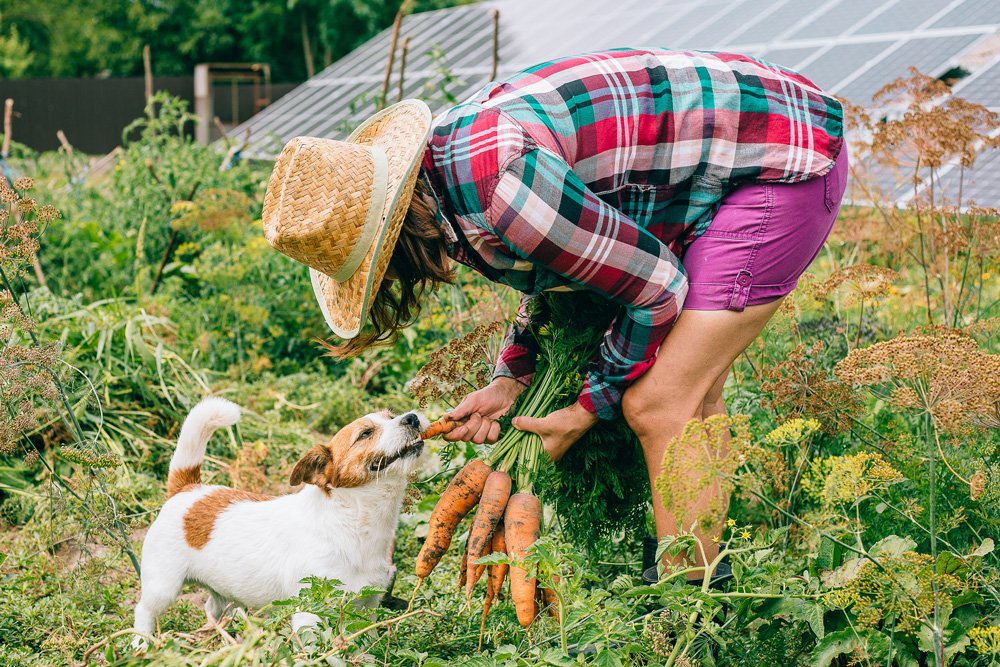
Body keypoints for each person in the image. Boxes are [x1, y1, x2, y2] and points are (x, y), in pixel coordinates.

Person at [262, 48, 847, 584]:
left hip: (781, 157)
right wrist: (510, 378)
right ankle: (708, 581)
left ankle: (687, 604)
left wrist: (585, 409)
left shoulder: (499, 184)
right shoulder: (442, 180)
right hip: (724, 167)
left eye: (376, 272)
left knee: (657, 402)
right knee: (693, 393)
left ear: (393, 244)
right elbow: (561, 270)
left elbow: (657, 286)